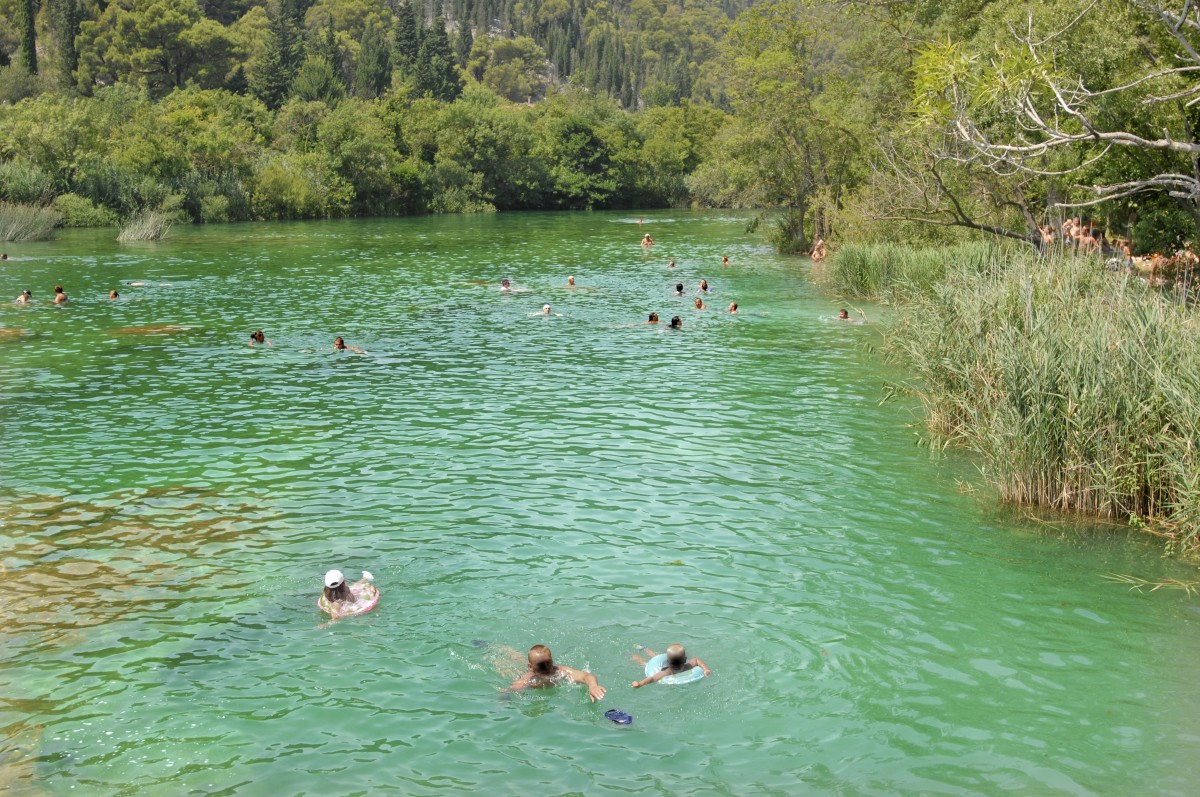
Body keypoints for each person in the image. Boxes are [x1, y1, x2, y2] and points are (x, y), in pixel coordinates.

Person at [508, 645, 606, 702]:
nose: (546, 667)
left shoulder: (560, 671)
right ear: (531, 667)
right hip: (518, 670)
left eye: (549, 662)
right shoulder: (528, 679)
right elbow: (508, 691)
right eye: (541, 665)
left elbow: (586, 676)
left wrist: (593, 687)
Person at [631, 644, 711, 688]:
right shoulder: (667, 672)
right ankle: (637, 653)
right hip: (655, 665)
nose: (676, 667)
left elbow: (697, 660)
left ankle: (644, 648)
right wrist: (640, 684)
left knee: (656, 656)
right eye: (674, 665)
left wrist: (705, 669)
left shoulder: (687, 666)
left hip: (661, 661)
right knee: (646, 663)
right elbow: (652, 678)